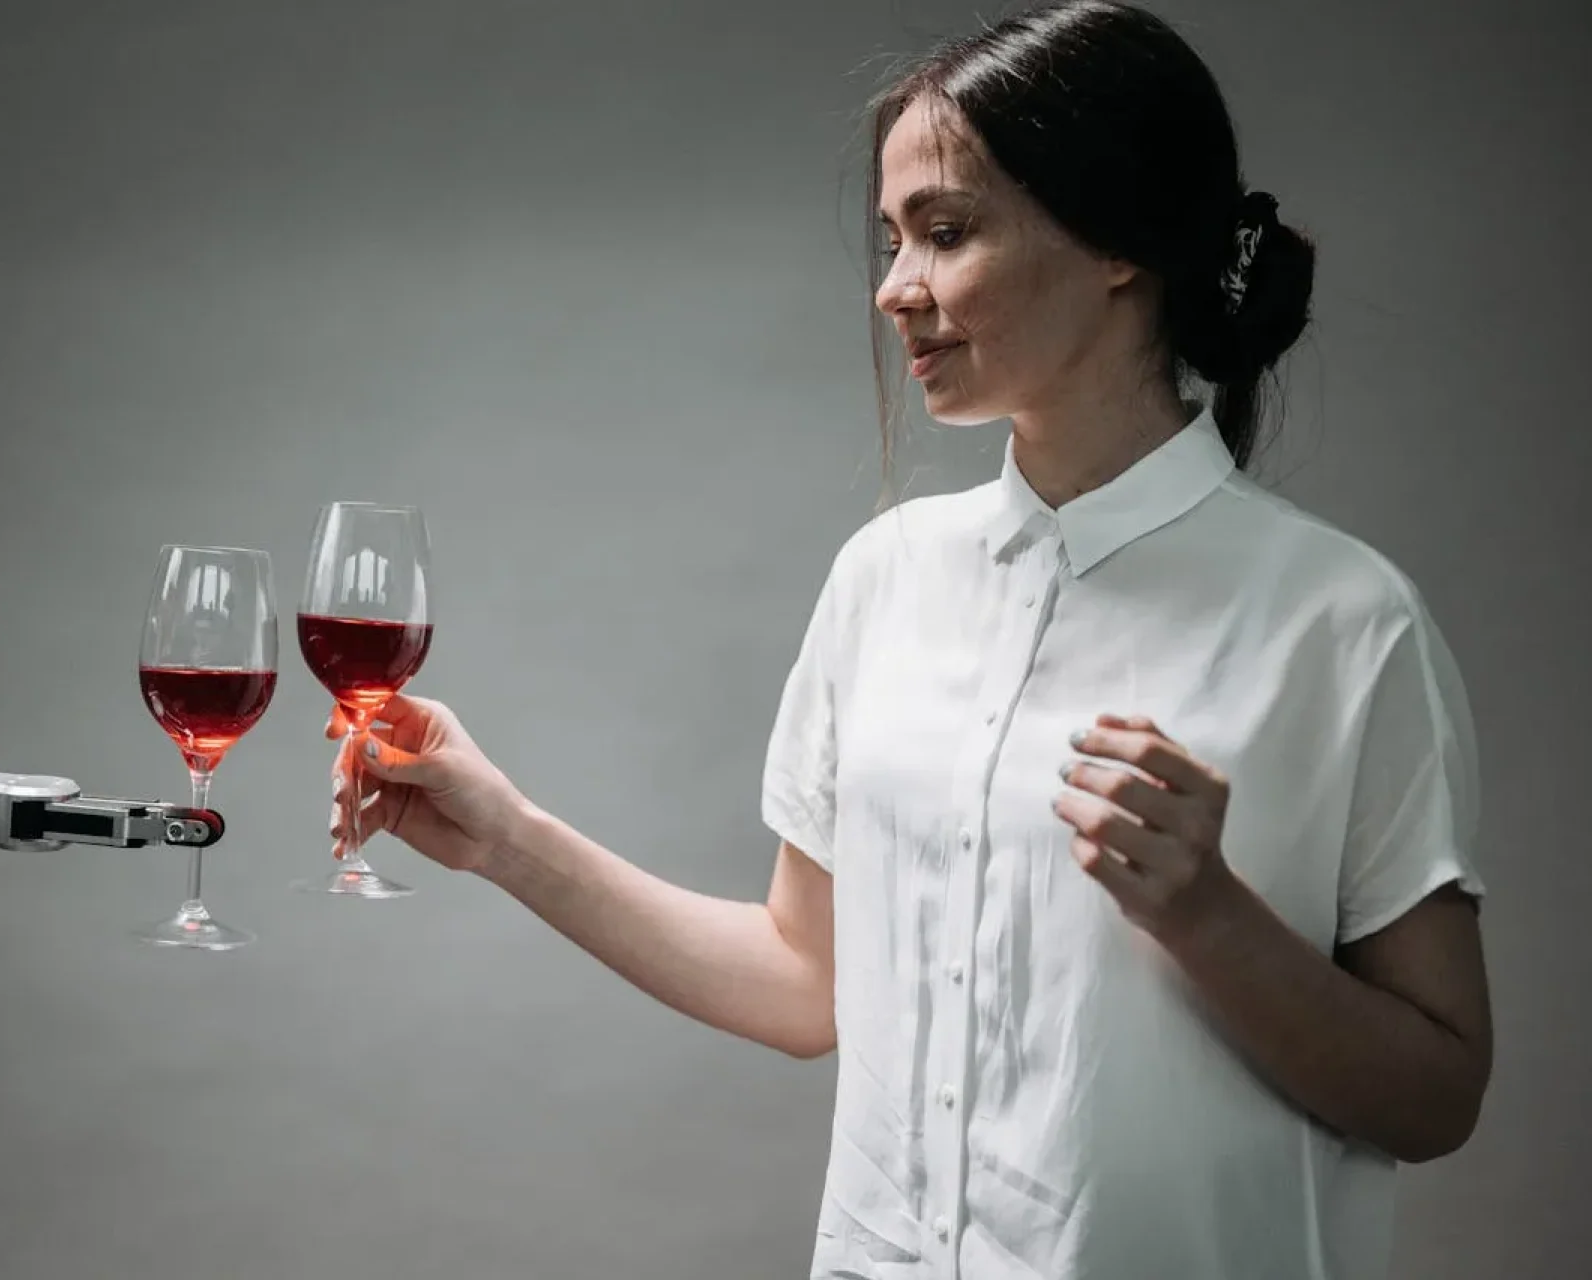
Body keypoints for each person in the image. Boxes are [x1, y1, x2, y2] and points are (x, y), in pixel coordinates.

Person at [322, 3, 1493, 1276]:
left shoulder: (1343, 619)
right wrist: (498, 830)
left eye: (944, 231)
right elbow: (802, 978)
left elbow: (1437, 1094)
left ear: (1115, 239)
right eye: (890, 240)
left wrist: (1211, 913)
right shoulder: (884, 579)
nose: (893, 288)